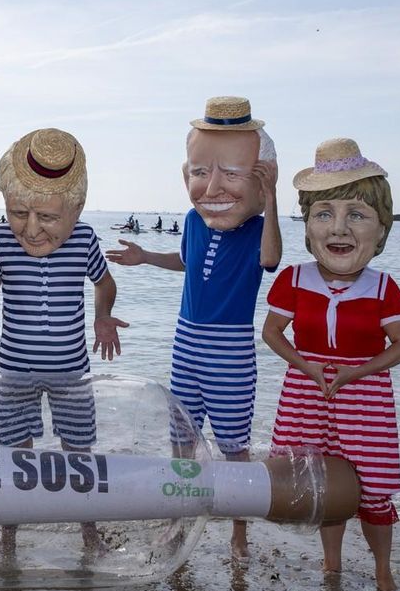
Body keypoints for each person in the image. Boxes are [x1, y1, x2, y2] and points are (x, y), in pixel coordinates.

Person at [106, 96, 280, 558]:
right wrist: (145, 257)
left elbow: (271, 259)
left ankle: (239, 533)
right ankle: (177, 521)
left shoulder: (257, 228)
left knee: (234, 447)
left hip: (230, 349)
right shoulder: (191, 219)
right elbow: (186, 261)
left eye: (233, 173)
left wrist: (274, 199)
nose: (213, 186)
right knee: (182, 441)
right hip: (186, 342)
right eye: (201, 172)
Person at [0, 128, 128, 553]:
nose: (30, 231)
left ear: (75, 210)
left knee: (79, 452)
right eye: (18, 214)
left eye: (47, 219)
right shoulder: (0, 240)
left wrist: (102, 317)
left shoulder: (85, 239)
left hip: (71, 371)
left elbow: (104, 283)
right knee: (14, 453)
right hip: (15, 370)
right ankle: (8, 538)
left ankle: (89, 534)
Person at [262, 138, 400, 591]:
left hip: (364, 399)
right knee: (327, 486)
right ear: (308, 227)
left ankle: (383, 570)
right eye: (324, 213)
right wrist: (307, 367)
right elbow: (272, 333)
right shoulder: (294, 278)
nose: (339, 228)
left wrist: (354, 373)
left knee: (371, 491)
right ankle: (332, 565)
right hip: (305, 393)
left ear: (381, 230)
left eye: (357, 215)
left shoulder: (383, 286)